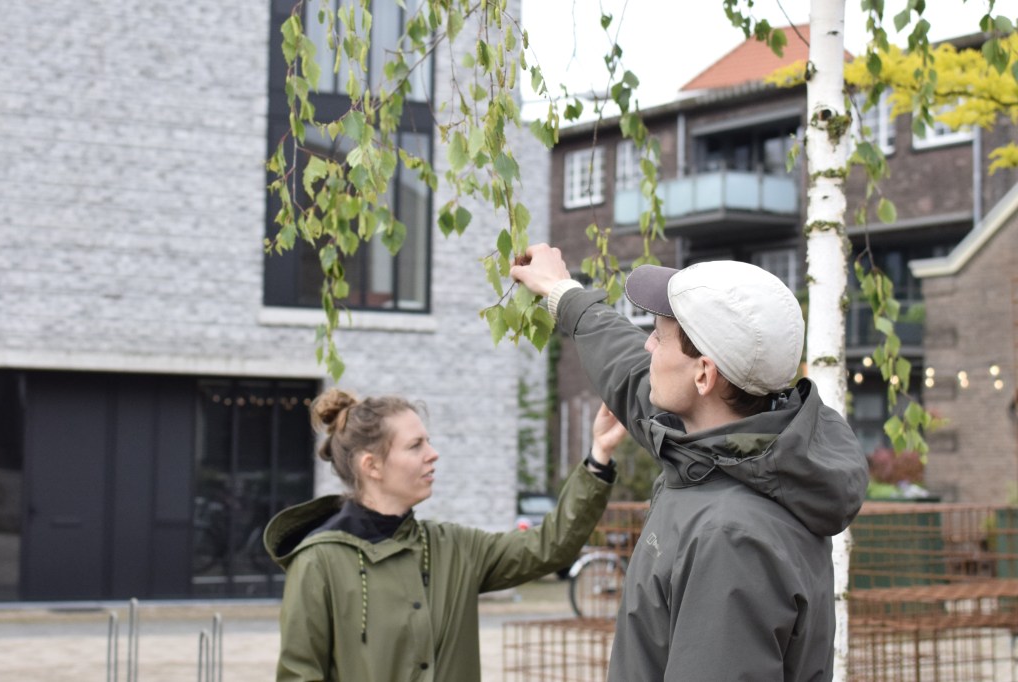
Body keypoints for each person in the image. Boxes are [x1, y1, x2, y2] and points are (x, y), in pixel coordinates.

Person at [511, 244, 869, 681]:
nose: (647, 346)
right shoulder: (717, 451)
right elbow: (627, 372)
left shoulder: (732, 539)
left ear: (704, 373)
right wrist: (561, 291)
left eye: (659, 338)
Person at [264, 388, 626, 682]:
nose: (433, 455)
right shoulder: (317, 562)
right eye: (415, 445)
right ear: (371, 465)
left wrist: (599, 457)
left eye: (428, 442)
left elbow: (549, 546)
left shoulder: (452, 547)